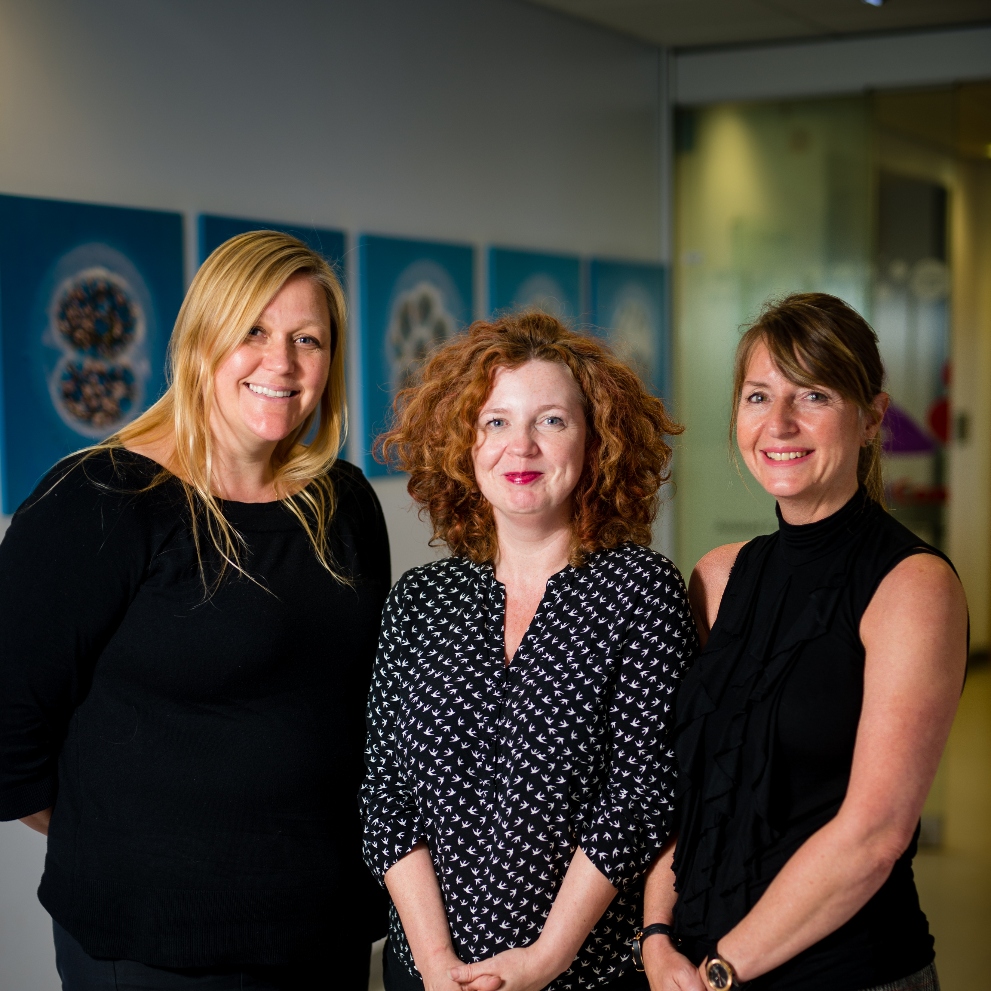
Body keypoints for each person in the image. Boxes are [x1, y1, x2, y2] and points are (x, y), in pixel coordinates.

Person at [0, 231, 390, 990]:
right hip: (154, 944)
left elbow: (361, 708)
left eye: (305, 339)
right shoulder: (100, 498)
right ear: (200, 339)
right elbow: (6, 725)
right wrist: (129, 836)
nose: (280, 362)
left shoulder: (342, 501)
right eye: (252, 331)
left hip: (324, 929)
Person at [361, 311, 698, 991]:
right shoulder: (420, 599)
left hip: (584, 973)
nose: (521, 446)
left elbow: (641, 794)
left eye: (550, 420)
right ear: (463, 443)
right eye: (495, 421)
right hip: (424, 972)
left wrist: (546, 956)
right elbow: (384, 796)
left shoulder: (640, 590)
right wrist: (434, 965)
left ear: (594, 441)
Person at [640, 293, 968, 991]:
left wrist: (724, 968)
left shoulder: (912, 588)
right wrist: (657, 937)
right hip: (692, 968)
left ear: (871, 417)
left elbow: (873, 836)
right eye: (758, 395)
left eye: (812, 394)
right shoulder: (717, 575)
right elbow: (690, 792)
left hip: (841, 973)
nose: (778, 422)